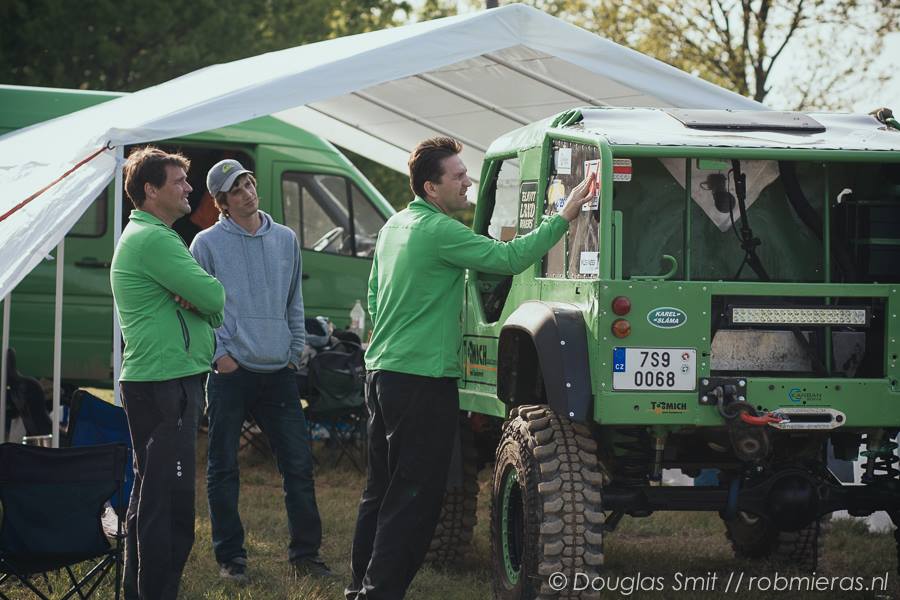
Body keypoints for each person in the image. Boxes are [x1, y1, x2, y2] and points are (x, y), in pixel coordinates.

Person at [347, 137, 594, 600]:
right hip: (421, 379)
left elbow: (375, 296)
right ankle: (379, 593)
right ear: (431, 187)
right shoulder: (440, 231)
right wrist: (564, 214)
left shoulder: (395, 225)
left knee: (380, 491)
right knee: (414, 498)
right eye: (458, 176)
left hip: (381, 372)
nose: (467, 182)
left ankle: (358, 587)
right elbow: (510, 258)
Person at [190, 159, 331, 584]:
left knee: (298, 465)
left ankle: (306, 554)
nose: (247, 194)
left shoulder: (286, 239)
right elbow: (197, 308)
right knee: (222, 468)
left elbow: (294, 301)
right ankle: (231, 558)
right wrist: (220, 355)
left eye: (249, 184)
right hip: (230, 373)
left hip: (278, 370)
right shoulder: (206, 244)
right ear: (222, 202)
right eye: (236, 191)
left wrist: (293, 350)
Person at [111, 146, 226, 600]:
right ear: (150, 190)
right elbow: (215, 298)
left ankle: (140, 591)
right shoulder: (155, 239)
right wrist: (203, 301)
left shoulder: (153, 236)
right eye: (178, 181)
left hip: (161, 380)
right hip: (164, 383)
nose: (189, 188)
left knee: (152, 499)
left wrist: (201, 302)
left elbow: (210, 305)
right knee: (170, 508)